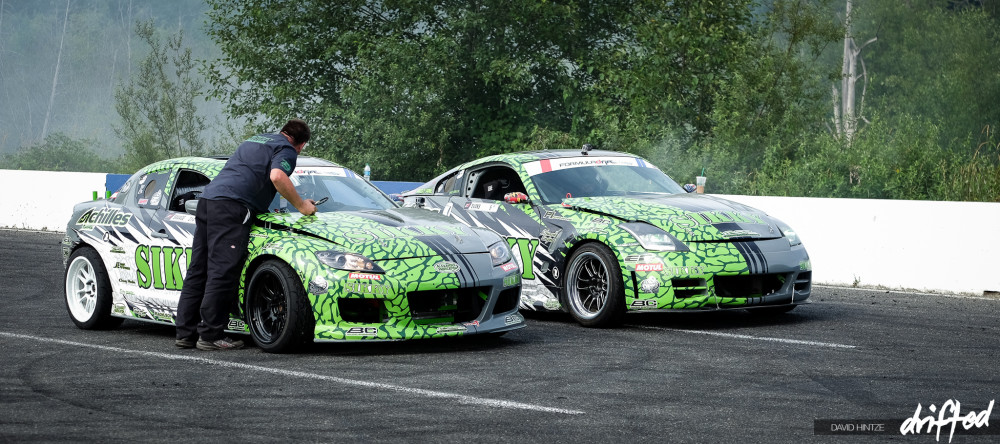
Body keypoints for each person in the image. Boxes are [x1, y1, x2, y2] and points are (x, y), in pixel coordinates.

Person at [175, 119, 318, 350]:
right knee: (222, 271)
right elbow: (277, 177)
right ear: (301, 145)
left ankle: (185, 333)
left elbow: (248, 175)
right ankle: (210, 335)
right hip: (232, 208)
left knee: (198, 270)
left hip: (208, 201)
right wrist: (302, 206)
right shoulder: (286, 149)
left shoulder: (255, 140)